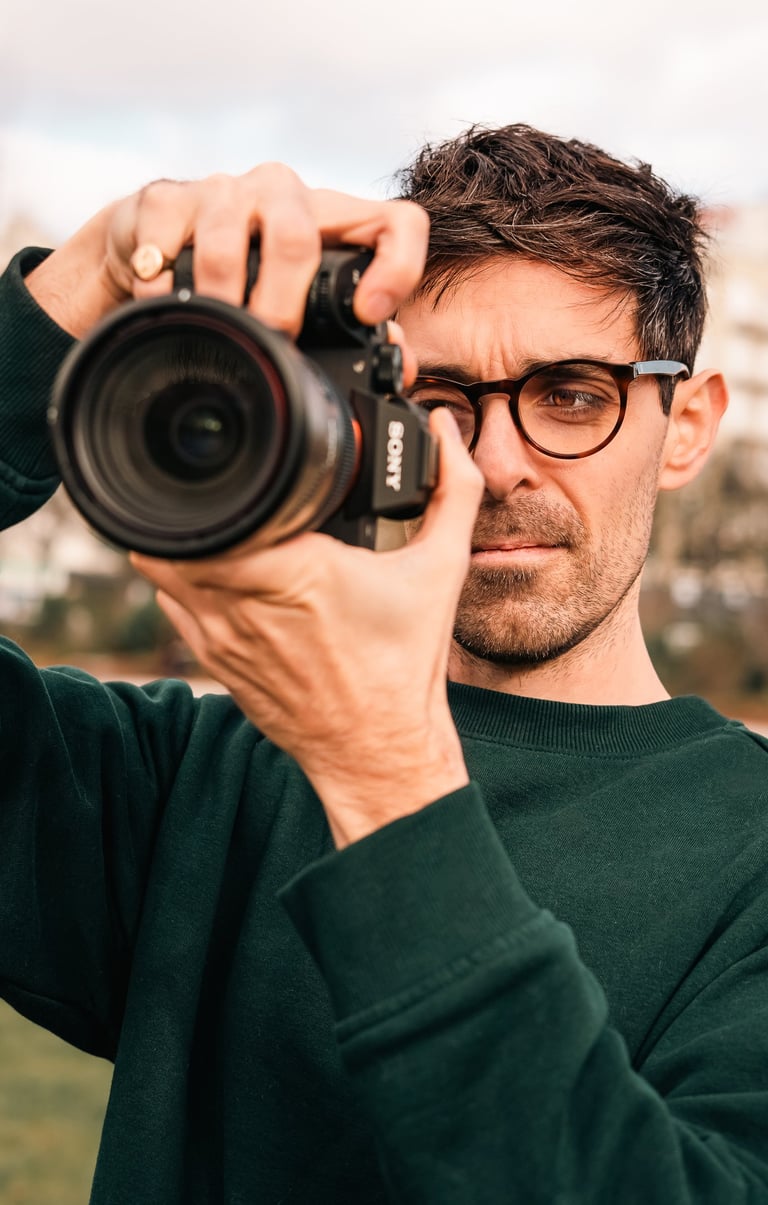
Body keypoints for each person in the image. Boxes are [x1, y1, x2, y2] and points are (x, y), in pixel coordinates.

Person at [1, 124, 767, 1204]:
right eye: (440, 401)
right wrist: (66, 296)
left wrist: (381, 768)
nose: (496, 463)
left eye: (574, 395)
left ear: (686, 423)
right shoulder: (194, 780)